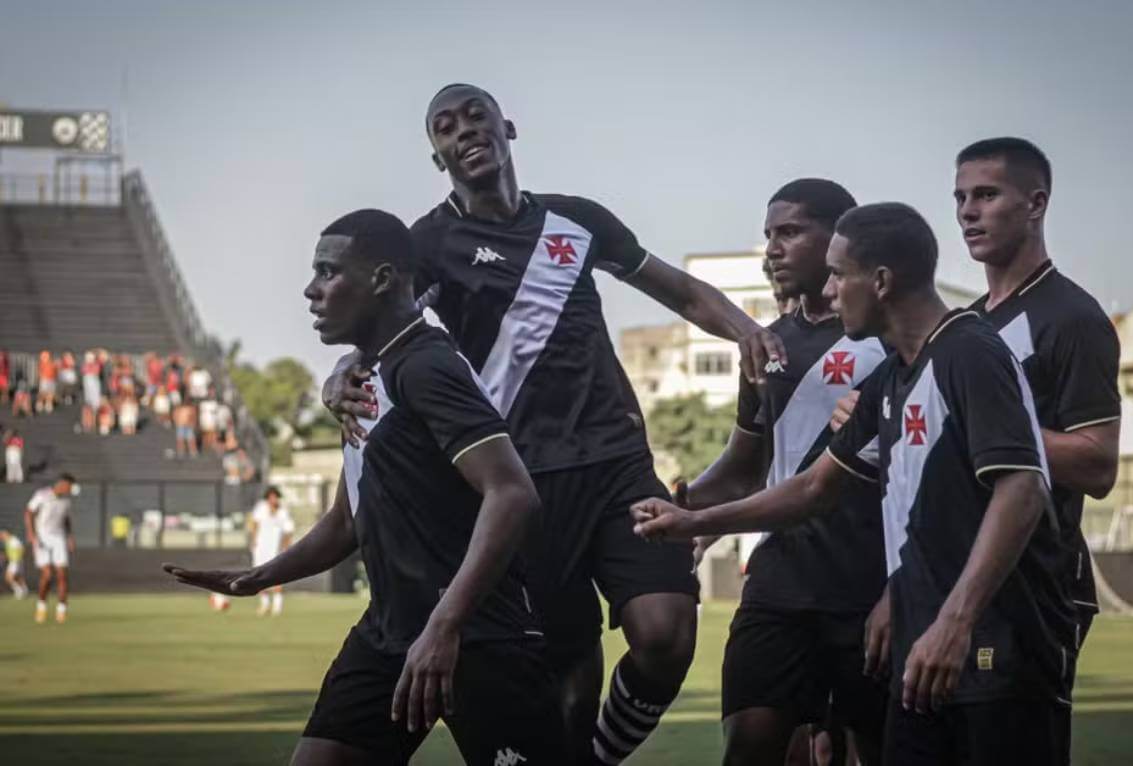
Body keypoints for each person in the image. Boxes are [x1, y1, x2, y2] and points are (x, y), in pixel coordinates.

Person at [322, 83, 784, 765]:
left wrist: (746, 329)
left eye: (475, 116)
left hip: (617, 465)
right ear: (437, 156)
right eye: (445, 127)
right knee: (566, 682)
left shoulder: (577, 219)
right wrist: (341, 372)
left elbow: (679, 289)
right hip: (525, 483)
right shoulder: (430, 242)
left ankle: (598, 757)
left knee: (665, 633)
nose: (464, 131)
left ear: (506, 127)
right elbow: (382, 325)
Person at [632, 202, 1074, 765]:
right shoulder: (891, 380)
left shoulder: (971, 351)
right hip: (924, 642)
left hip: (993, 645)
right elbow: (814, 489)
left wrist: (955, 621)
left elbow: (1023, 490)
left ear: (882, 281)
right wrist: (693, 522)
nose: (832, 289)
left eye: (840, 274)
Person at [166, 209, 567, 765]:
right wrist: (260, 576)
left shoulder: (427, 366)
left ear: (382, 279)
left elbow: (512, 493)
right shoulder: (365, 378)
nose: (311, 290)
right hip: (388, 634)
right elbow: (345, 521)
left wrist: (445, 625)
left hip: (478, 637)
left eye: (328, 272)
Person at [831, 139, 1121, 733]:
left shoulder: (1070, 317)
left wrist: (979, 427)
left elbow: (1098, 463)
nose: (968, 211)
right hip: (938, 581)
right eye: (960, 197)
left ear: (1036, 203)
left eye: (986, 195)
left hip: (1031, 587)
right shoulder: (968, 325)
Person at [685, 180, 889, 766]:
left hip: (867, 582)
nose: (773, 248)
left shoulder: (884, 338)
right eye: (769, 235)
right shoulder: (766, 346)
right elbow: (742, 469)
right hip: (778, 579)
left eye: (790, 232)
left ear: (837, 238)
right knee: (749, 743)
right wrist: (680, 509)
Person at [26, 474, 78, 624]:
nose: (70, 490)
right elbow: (29, 512)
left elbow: (67, 520)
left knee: (62, 574)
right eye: (69, 486)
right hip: (42, 538)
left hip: (59, 538)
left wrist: (70, 537)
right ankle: (41, 606)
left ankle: (61, 611)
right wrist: (31, 533)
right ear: (62, 484)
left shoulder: (67, 501)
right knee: (47, 574)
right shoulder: (42, 495)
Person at [248, 486, 295, 616]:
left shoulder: (283, 512)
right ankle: (264, 604)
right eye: (270, 497)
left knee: (276, 577)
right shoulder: (261, 508)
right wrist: (253, 540)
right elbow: (254, 524)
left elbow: (288, 531)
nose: (272, 499)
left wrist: (286, 547)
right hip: (260, 548)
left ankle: (277, 605)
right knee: (259, 576)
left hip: (275, 549)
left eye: (275, 496)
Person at [2, 529, 29, 598]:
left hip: (15, 561)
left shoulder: (14, 540)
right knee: (18, 577)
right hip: (15, 561)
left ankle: (19, 591)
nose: (1, 536)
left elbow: (22, 549)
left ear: (7, 533)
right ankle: (25, 591)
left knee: (8, 577)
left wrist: (18, 559)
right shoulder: (8, 541)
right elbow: (10, 552)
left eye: (3, 534)